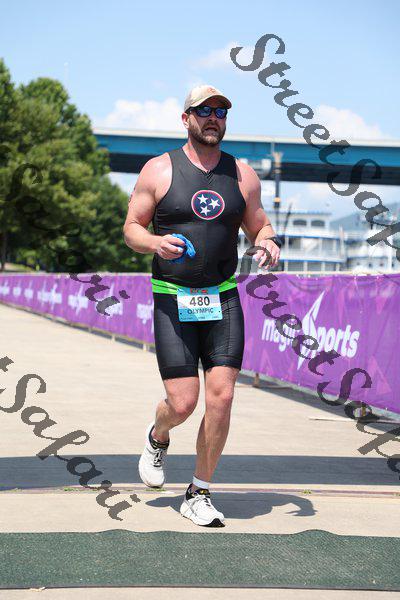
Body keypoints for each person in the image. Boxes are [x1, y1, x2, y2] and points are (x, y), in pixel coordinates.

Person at [123, 84, 281, 527]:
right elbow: (132, 228)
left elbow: (260, 225)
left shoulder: (242, 175)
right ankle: (159, 435)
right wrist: (155, 242)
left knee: (222, 396)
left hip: (222, 297)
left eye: (221, 112)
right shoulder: (159, 169)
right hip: (173, 299)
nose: (213, 117)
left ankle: (199, 492)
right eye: (204, 110)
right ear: (186, 118)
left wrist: (269, 242)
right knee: (182, 403)